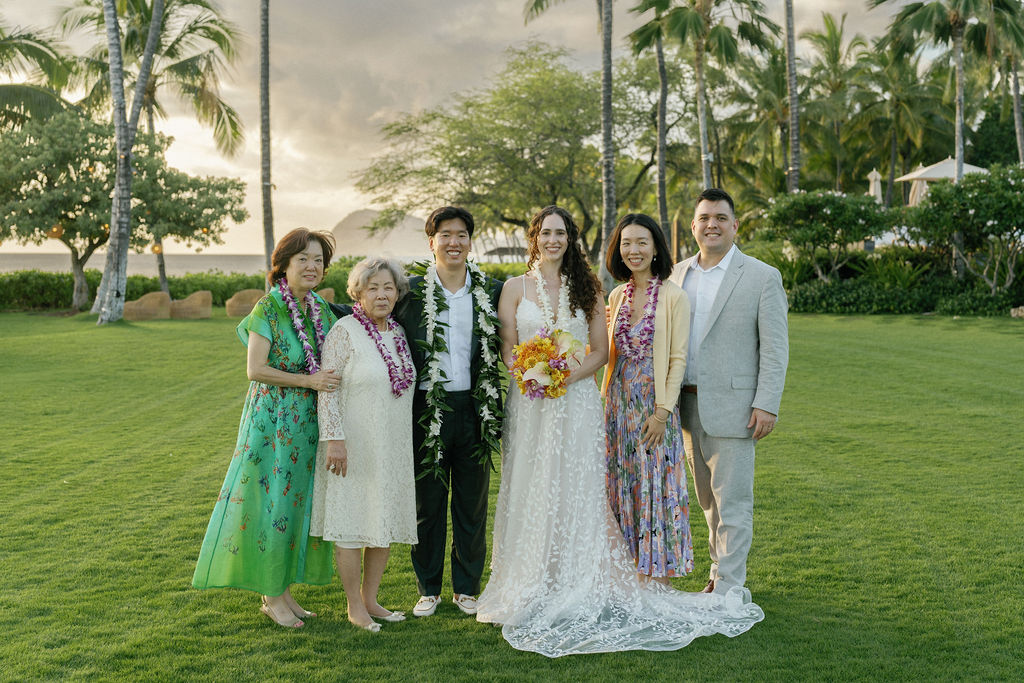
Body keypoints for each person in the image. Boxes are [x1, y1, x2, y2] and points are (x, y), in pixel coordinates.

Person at [476, 206, 763, 658]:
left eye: (561, 233)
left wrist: (564, 378)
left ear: (571, 238)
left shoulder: (603, 289)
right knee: (569, 486)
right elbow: (510, 344)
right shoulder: (603, 293)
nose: (553, 240)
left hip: (614, 402)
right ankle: (541, 573)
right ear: (535, 237)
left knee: (631, 487)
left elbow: (617, 352)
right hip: (568, 404)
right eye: (545, 232)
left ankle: (658, 575)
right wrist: (532, 374)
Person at [193, 228, 341, 629]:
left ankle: (283, 589)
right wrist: (309, 381)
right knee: (273, 500)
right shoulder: (268, 308)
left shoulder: (320, 309)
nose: (312, 267)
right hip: (273, 421)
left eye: (318, 261)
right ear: (284, 265)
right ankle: (271, 597)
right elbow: (255, 369)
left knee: (295, 504)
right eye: (303, 259)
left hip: (308, 423)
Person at [668, 187, 789, 596]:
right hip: (686, 405)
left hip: (737, 407)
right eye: (705, 218)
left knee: (733, 503)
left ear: (735, 225)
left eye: (720, 218)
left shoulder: (762, 277)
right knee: (707, 501)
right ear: (693, 226)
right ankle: (717, 572)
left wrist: (766, 403)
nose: (712, 225)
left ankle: (730, 589)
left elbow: (775, 349)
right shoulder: (676, 275)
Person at [392, 207, 504, 618]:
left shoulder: (492, 290)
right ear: (432, 242)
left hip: (476, 408)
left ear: (470, 241)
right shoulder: (409, 292)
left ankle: (467, 588)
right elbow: (370, 314)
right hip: (426, 409)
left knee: (472, 503)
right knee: (428, 503)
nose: (453, 242)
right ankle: (428, 589)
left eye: (461, 234)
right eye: (445, 235)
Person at [310, 257, 417, 632]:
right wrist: (334, 440)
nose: (382, 294)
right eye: (373, 288)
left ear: (397, 293)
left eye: (388, 287)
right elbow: (327, 390)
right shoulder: (345, 331)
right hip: (352, 445)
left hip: (390, 446)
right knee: (352, 523)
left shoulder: (398, 333)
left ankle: (371, 599)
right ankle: (354, 606)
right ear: (358, 293)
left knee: (380, 520)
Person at [602, 213, 693, 584]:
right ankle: (625, 576)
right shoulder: (617, 296)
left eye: (642, 242)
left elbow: (678, 359)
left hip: (654, 410)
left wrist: (662, 412)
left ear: (656, 247)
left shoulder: (674, 296)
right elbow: (608, 352)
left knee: (656, 484)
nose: (633, 250)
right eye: (626, 243)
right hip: (618, 407)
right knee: (622, 484)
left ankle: (657, 576)